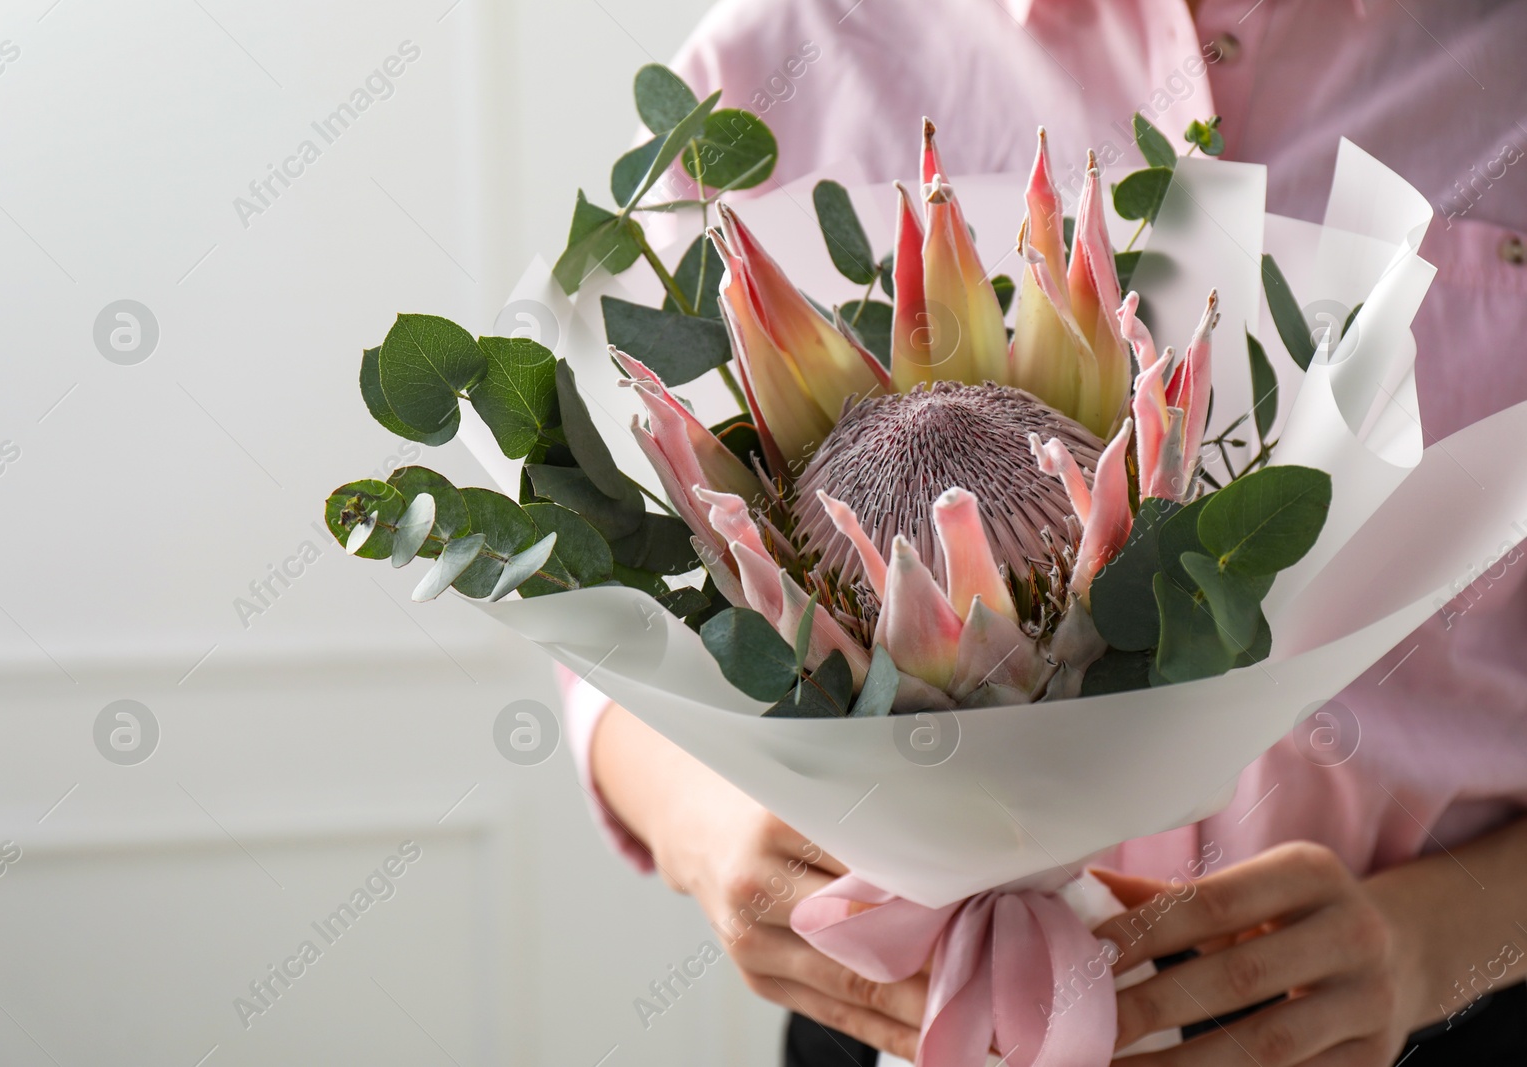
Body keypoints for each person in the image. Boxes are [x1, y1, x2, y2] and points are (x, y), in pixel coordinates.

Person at [568, 0, 1527, 1063]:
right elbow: (614, 578)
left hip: (1423, 1012)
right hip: (893, 1008)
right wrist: (701, 825)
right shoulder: (775, 59)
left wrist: (1438, 938)